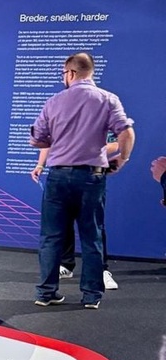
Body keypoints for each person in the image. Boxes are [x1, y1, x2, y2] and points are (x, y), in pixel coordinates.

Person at [30, 51, 134, 309]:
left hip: (58, 177)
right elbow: (126, 133)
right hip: (91, 178)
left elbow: (37, 140)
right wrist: (121, 159)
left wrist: (60, 141)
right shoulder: (108, 99)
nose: (63, 78)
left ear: (71, 73)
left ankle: (46, 293)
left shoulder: (53, 102)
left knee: (51, 237)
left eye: (63, 73)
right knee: (91, 237)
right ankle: (91, 296)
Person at [31, 139, 121, 289]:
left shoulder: (100, 122)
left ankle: (100, 271)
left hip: (92, 172)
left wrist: (85, 151)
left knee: (93, 227)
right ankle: (66, 265)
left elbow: (116, 143)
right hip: (62, 173)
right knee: (62, 222)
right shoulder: (58, 122)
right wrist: (40, 164)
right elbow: (47, 141)